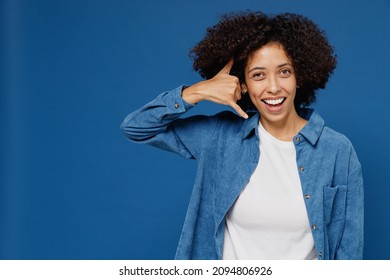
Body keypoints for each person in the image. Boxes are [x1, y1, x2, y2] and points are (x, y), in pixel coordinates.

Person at [121, 11, 364, 260]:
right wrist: (197, 91)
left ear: (299, 76)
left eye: (284, 72)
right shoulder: (220, 137)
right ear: (243, 84)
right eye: (258, 74)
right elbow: (136, 128)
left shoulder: (336, 151)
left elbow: (349, 251)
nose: (273, 87)